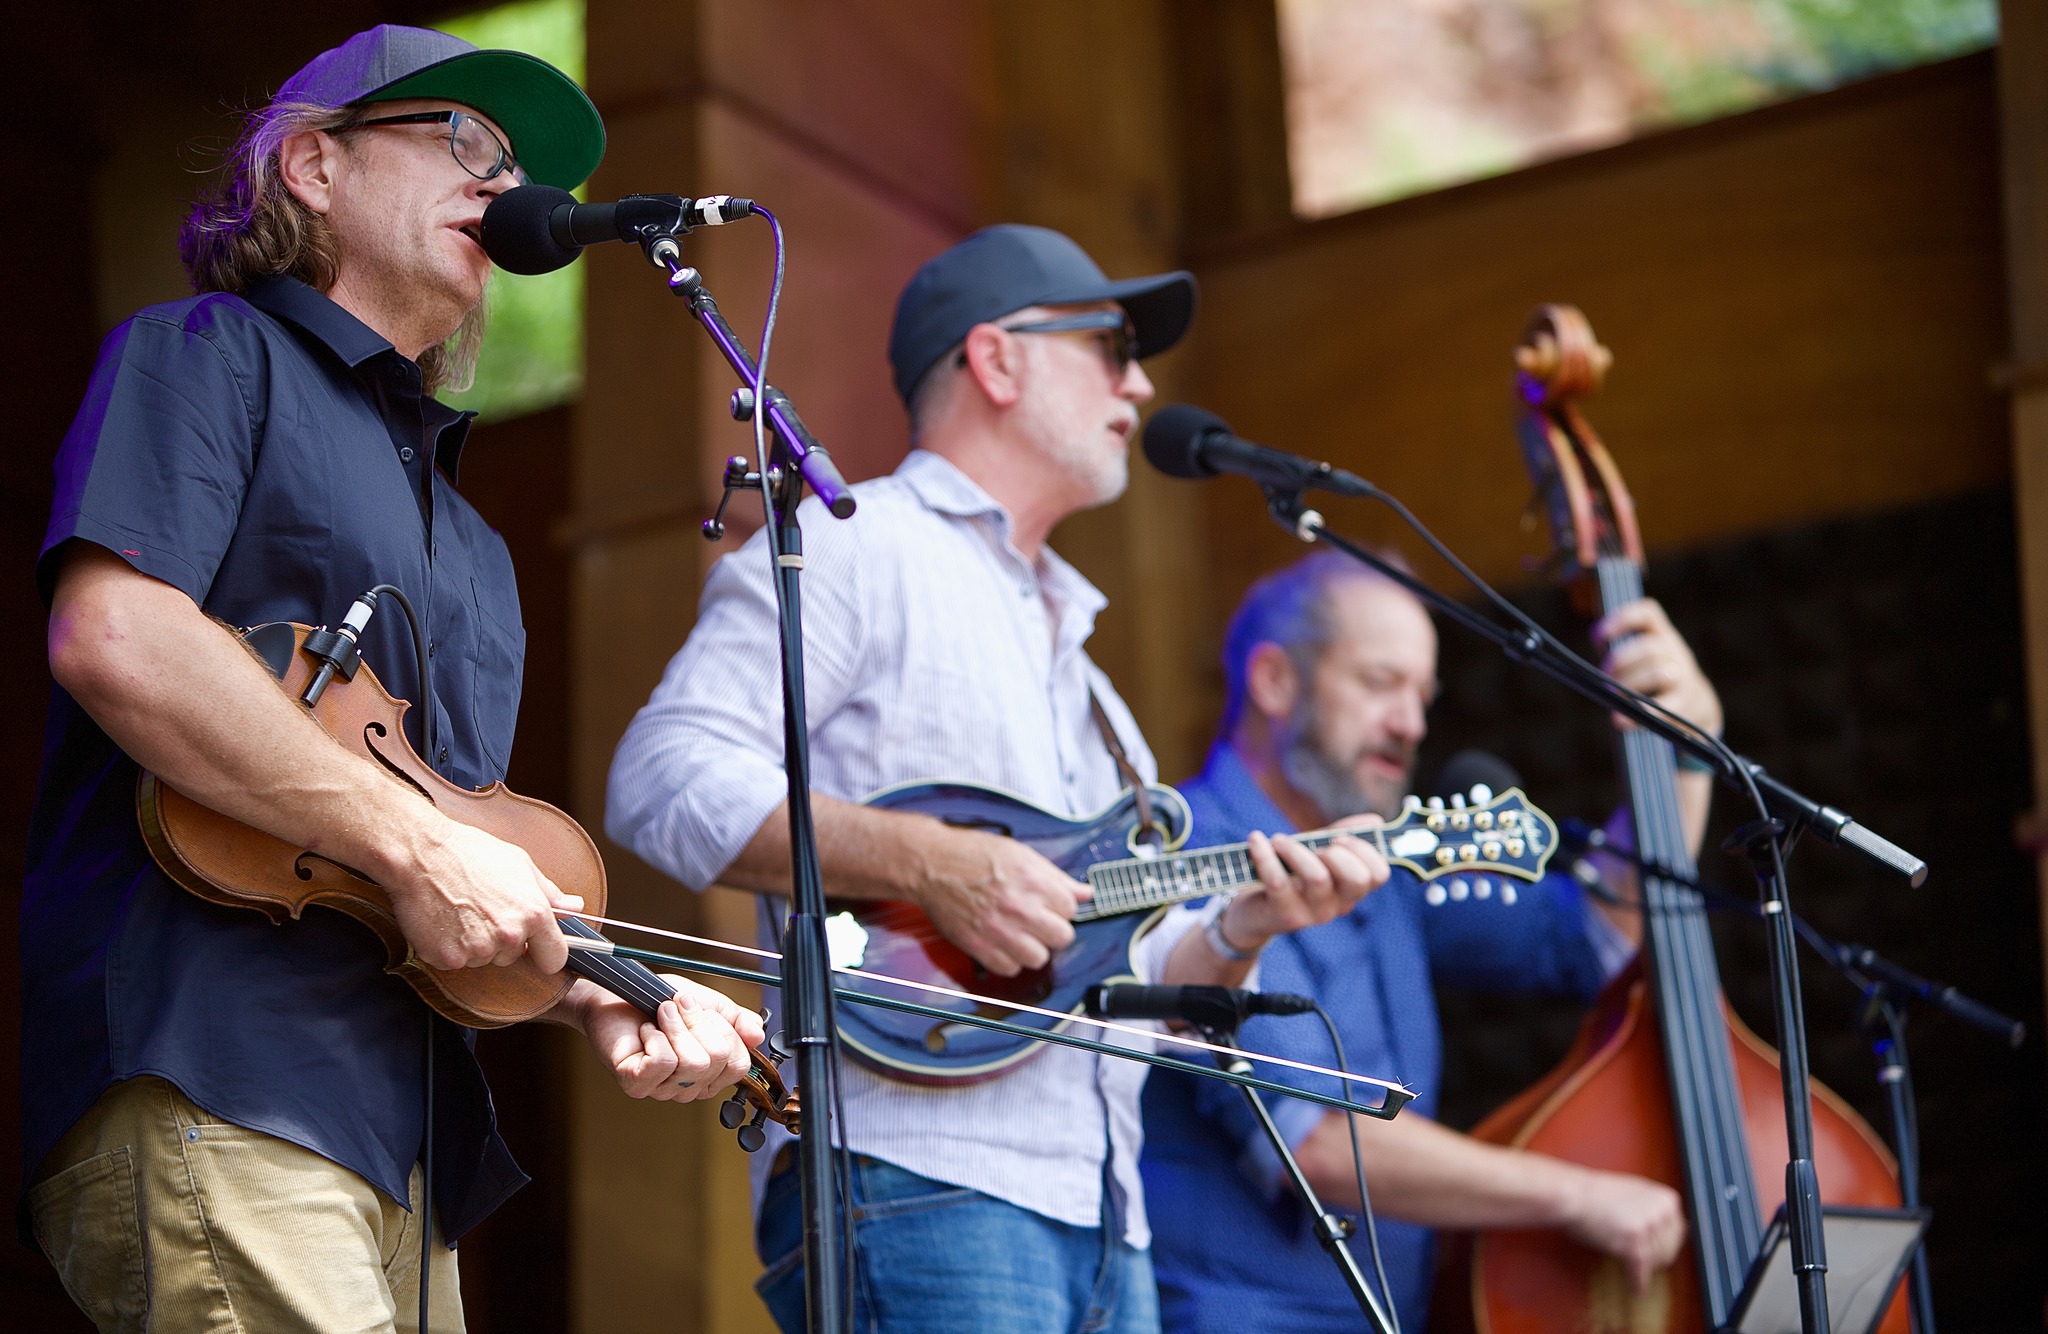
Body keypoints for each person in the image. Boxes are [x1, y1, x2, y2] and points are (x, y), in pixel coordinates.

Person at [23, 26, 762, 1333]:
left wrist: (616, 992)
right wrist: (422, 847)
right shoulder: (205, 352)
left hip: (409, 1150)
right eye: (460, 140)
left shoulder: (475, 543)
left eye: (515, 161)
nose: (503, 179)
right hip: (225, 1070)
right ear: (313, 165)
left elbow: (447, 860)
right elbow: (116, 637)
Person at [606, 224, 1390, 1334]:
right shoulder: (856, 547)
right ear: (997, 358)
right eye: (1111, 345)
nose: (1143, 381)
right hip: (915, 1179)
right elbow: (661, 773)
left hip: (1108, 1214)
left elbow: (1119, 964)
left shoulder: (1094, 686)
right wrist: (932, 862)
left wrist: (1247, 922)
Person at [1141, 550, 1718, 1331]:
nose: (1411, 723)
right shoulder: (1183, 854)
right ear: (1275, 681)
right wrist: (1576, 1193)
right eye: (1381, 683)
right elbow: (1317, 1137)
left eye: (1422, 695)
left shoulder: (1388, 864)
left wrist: (1683, 755)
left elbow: (1590, 939)